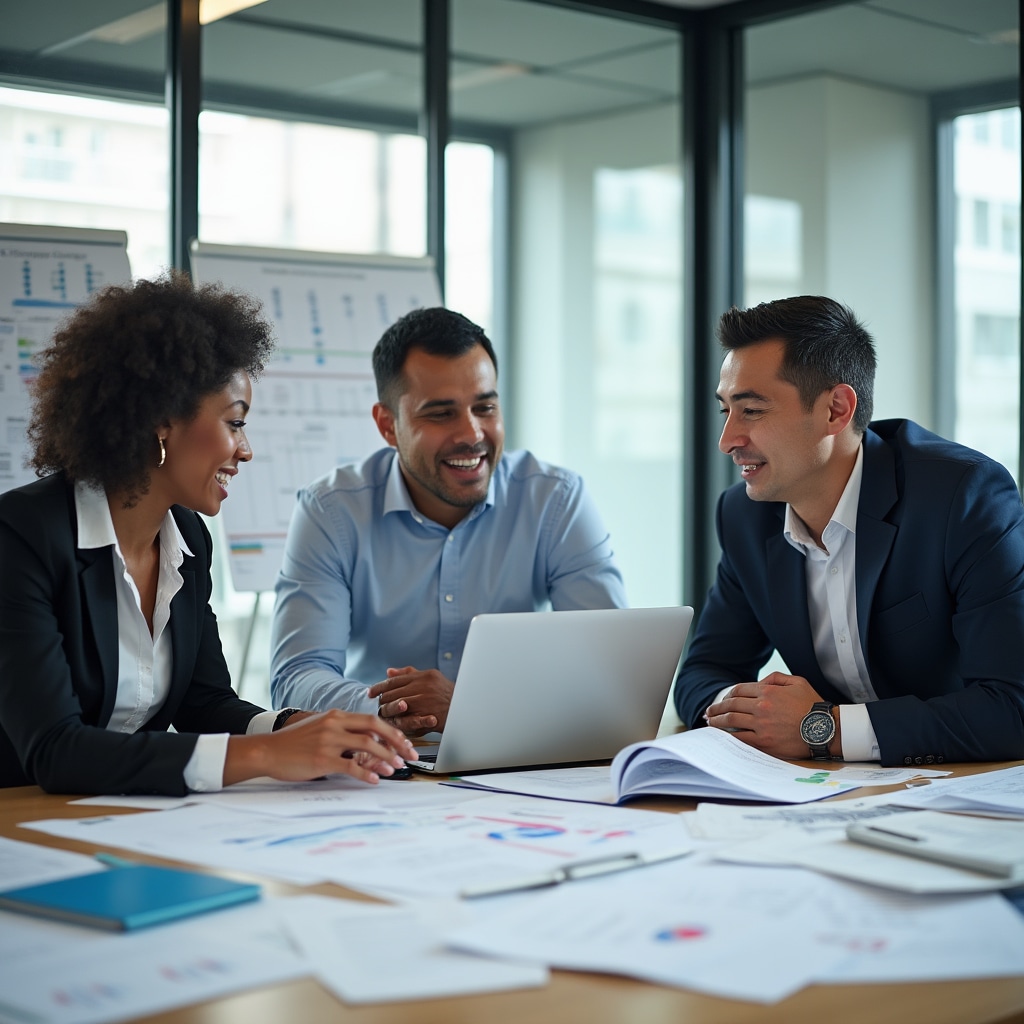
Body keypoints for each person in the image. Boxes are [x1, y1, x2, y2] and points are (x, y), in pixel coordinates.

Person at [0, 273, 415, 795]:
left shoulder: (188, 539)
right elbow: (55, 750)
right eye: (235, 422)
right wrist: (265, 753)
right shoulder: (22, 537)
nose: (246, 449)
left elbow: (205, 702)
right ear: (161, 422)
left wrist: (298, 730)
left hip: (124, 821)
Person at [673, 294, 1024, 766]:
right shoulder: (745, 515)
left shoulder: (962, 497)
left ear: (836, 410)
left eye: (751, 411)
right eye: (725, 411)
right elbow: (704, 671)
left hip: (965, 788)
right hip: (838, 792)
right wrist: (752, 713)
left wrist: (823, 728)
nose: (728, 440)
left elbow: (1013, 706)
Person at [271, 306, 627, 734]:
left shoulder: (555, 500)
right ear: (388, 425)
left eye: (485, 407)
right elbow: (296, 678)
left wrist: (467, 704)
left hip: (517, 752)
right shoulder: (331, 511)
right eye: (441, 414)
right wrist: (394, 707)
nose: (472, 434)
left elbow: (609, 672)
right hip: (381, 759)